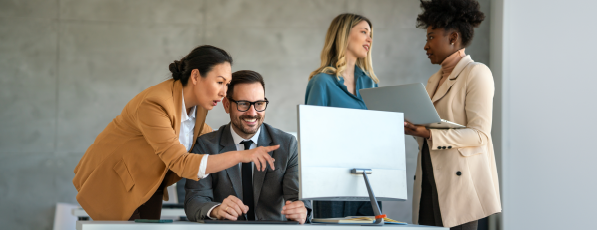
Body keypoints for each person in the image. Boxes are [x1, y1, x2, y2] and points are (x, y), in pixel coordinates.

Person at [72, 45, 280, 221]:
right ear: (196, 76)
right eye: (219, 82)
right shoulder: (155, 104)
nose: (224, 92)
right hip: (115, 184)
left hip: (149, 186)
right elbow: (180, 162)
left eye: (227, 85)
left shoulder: (199, 108)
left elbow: (207, 137)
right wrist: (242, 155)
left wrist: (245, 138)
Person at [404, 0, 500, 229]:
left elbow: (479, 135)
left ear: (453, 37)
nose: (426, 46)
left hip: (461, 187)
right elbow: (430, 131)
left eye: (430, 37)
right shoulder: (433, 80)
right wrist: (411, 129)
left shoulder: (477, 73)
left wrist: (428, 133)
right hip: (429, 178)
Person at [184, 70, 310, 223]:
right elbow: (194, 201)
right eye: (243, 104)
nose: (253, 113)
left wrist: (301, 210)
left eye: (259, 104)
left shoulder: (287, 144)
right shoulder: (205, 145)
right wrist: (216, 209)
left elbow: (299, 199)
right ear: (227, 105)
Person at [304, 13, 382, 218]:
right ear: (344, 35)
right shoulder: (322, 82)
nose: (369, 39)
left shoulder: (371, 83)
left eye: (370, 34)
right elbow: (312, 137)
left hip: (369, 178)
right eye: (364, 32)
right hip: (332, 181)